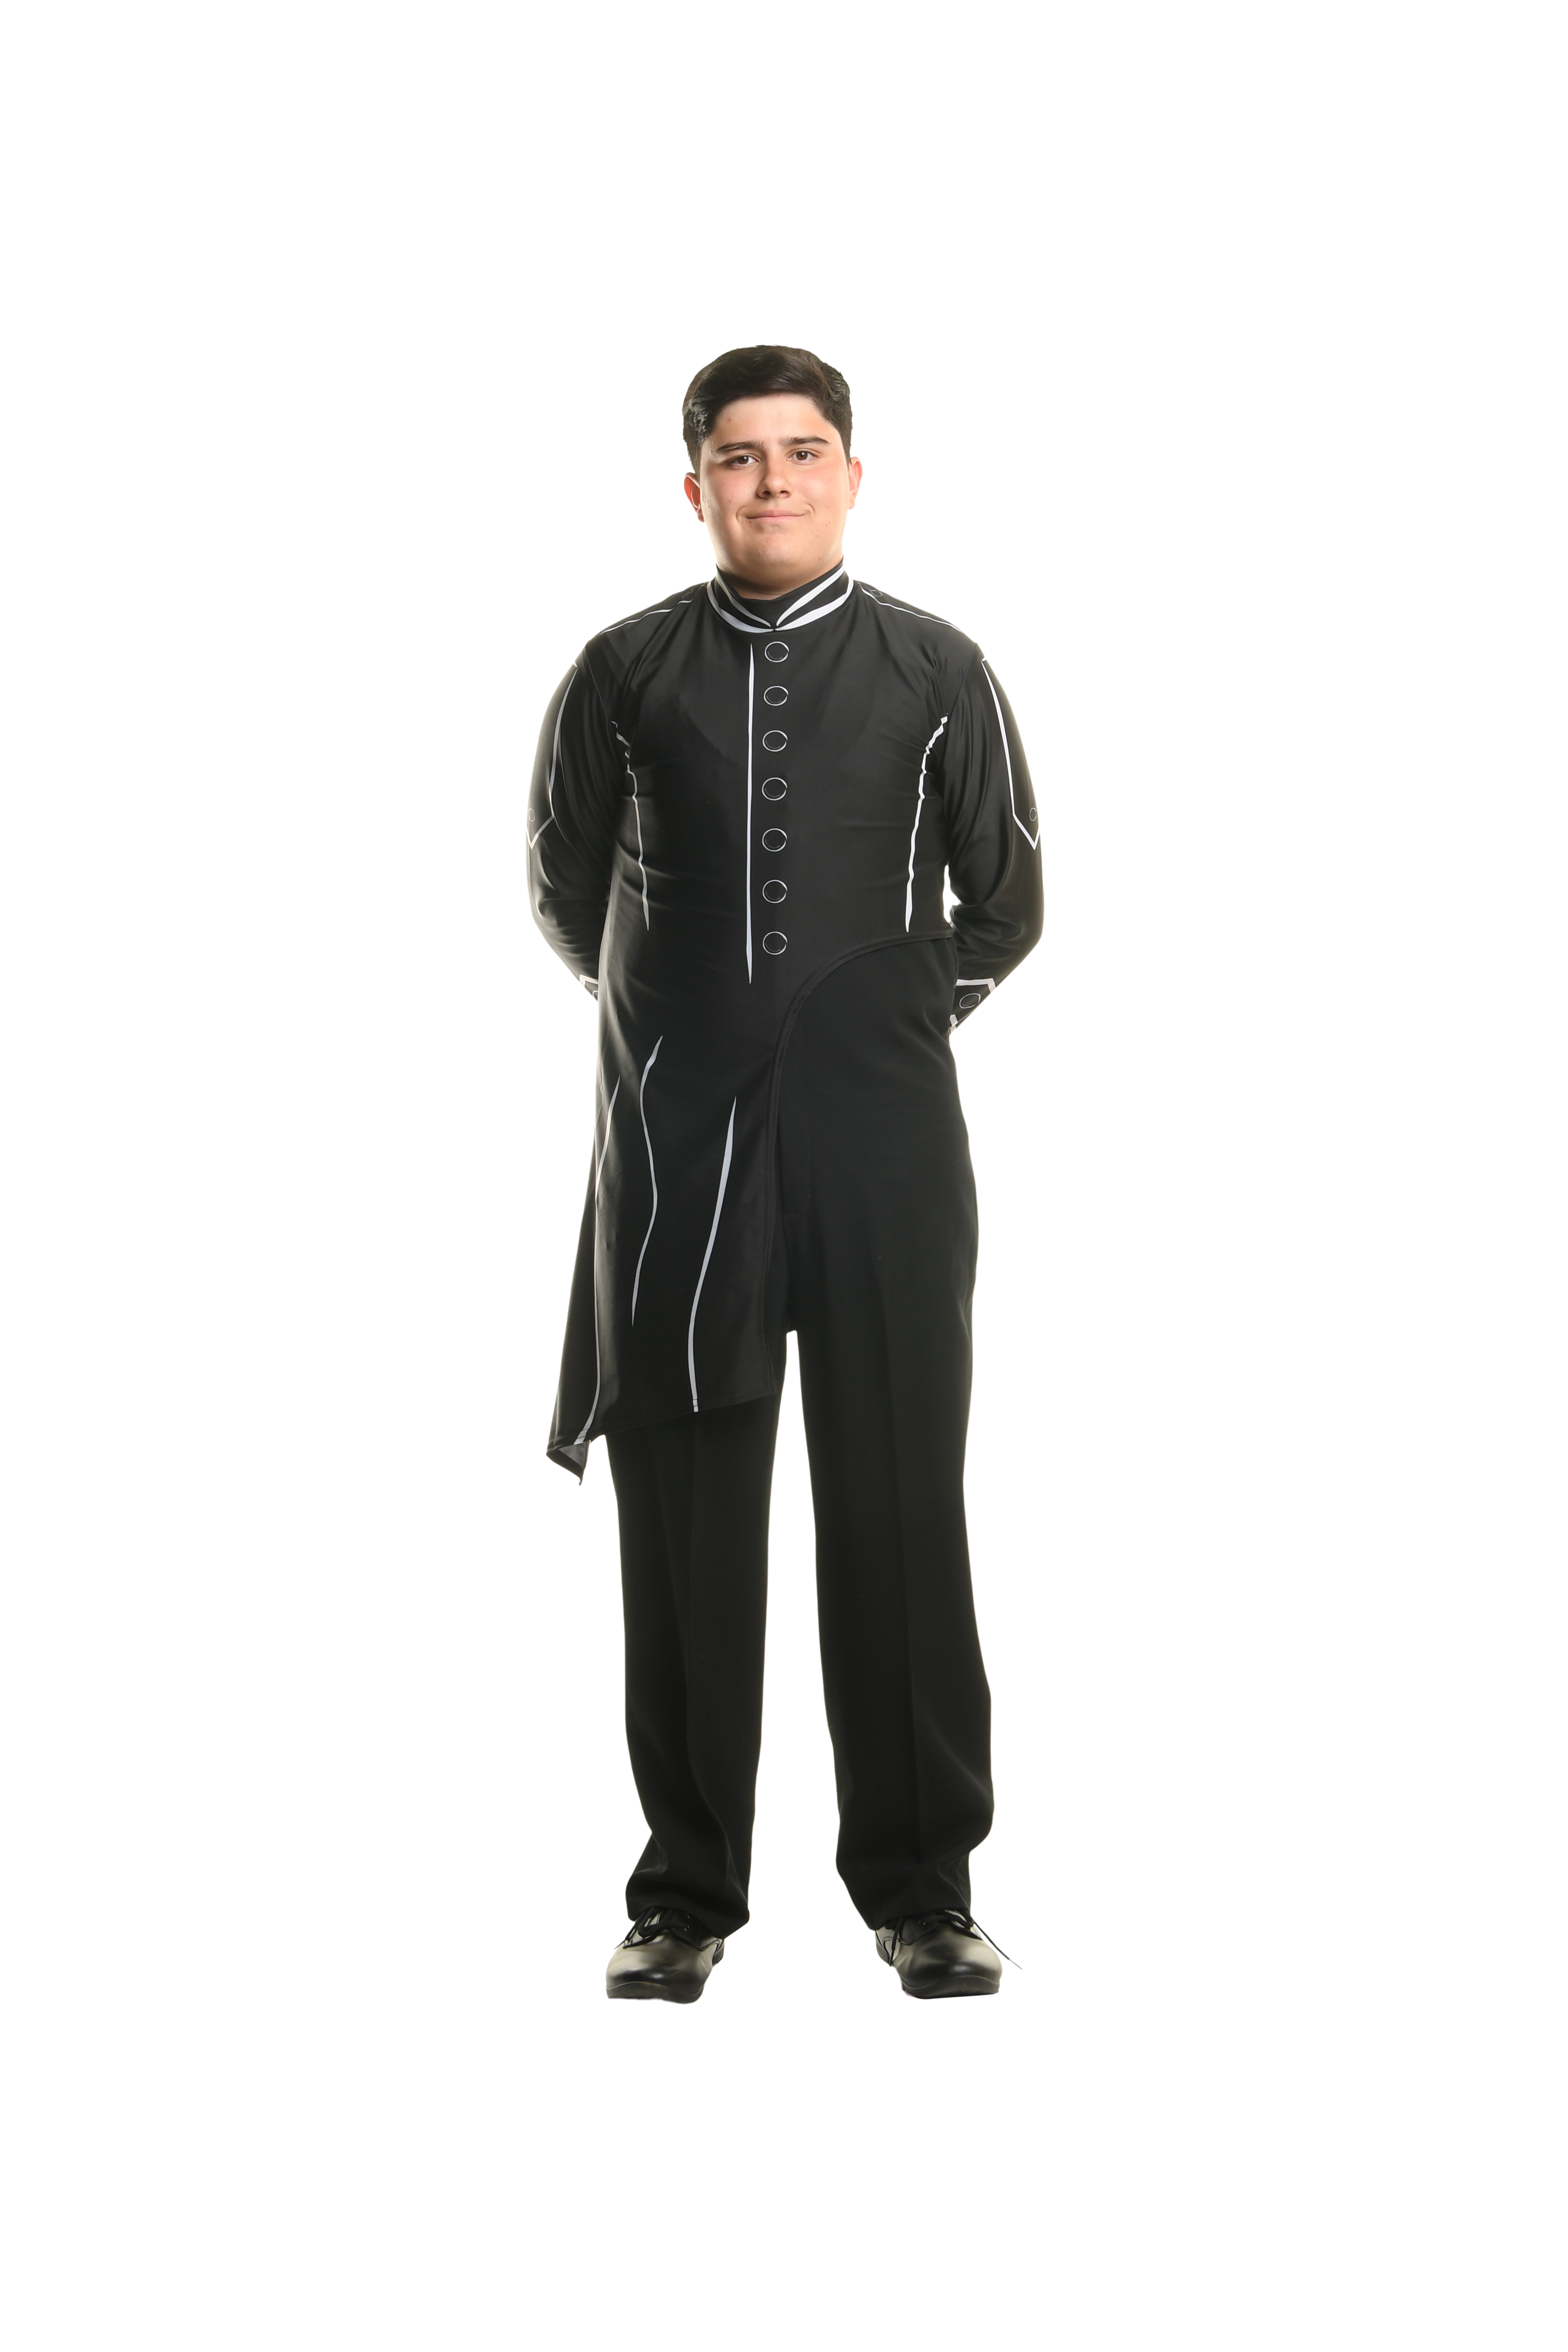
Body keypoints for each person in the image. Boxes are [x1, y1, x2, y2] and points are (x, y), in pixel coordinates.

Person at [527, 343, 1043, 2002]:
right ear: (695, 484)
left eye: (803, 451)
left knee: (897, 1507)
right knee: (685, 1522)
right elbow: (566, 897)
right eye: (740, 457)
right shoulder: (620, 671)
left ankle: (924, 1892)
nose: (773, 482)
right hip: (682, 1152)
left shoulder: (938, 667)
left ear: (851, 474)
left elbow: (1007, 902)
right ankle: (686, 1898)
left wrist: (875, 1030)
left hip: (886, 1150)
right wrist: (697, 1032)